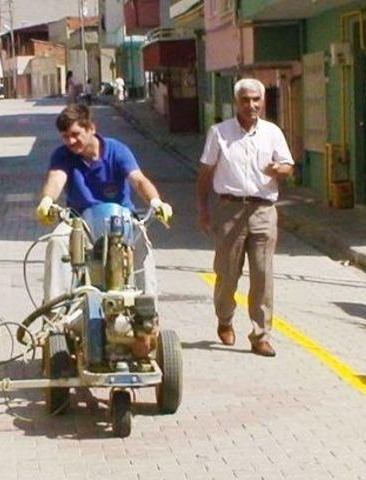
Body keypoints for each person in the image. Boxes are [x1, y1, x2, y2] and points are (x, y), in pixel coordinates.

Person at [196, 78, 294, 358]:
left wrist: (280, 169)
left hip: (264, 210)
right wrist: (203, 209)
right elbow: (205, 173)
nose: (251, 105)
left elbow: (288, 164)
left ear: (262, 101)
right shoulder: (219, 133)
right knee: (227, 273)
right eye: (245, 100)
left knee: (263, 275)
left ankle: (261, 335)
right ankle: (225, 318)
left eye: (256, 100)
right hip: (230, 210)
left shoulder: (272, 132)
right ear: (236, 102)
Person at [35, 104, 173, 302]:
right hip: (80, 222)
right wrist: (47, 200)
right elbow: (56, 179)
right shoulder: (62, 155)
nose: (71, 141)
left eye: (75, 134)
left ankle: (148, 310)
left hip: (121, 220)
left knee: (142, 243)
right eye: (65, 137)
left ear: (91, 128)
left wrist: (156, 202)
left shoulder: (117, 150)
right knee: (57, 241)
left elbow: (138, 180)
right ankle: (55, 314)